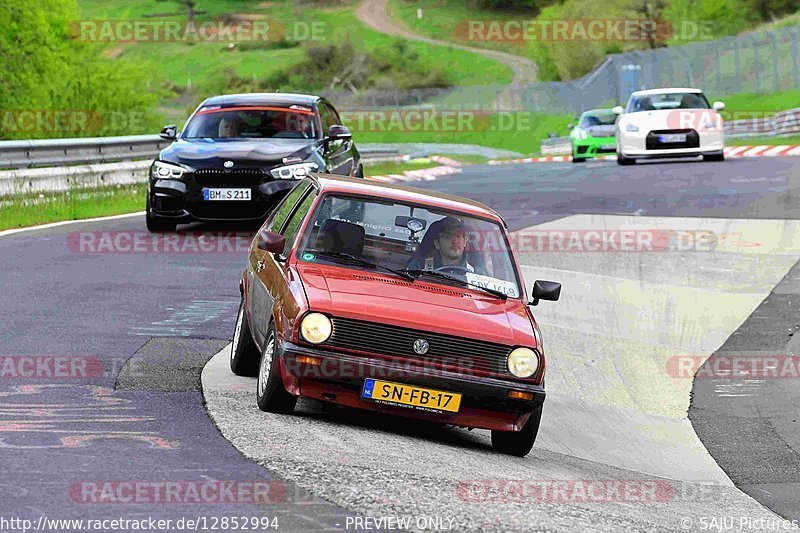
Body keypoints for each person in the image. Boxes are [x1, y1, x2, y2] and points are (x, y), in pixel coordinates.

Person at [407, 217, 482, 274]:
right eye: (448, 236)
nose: (455, 241)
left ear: (465, 241)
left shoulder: (476, 272)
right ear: (437, 243)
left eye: (459, 236)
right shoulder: (419, 266)